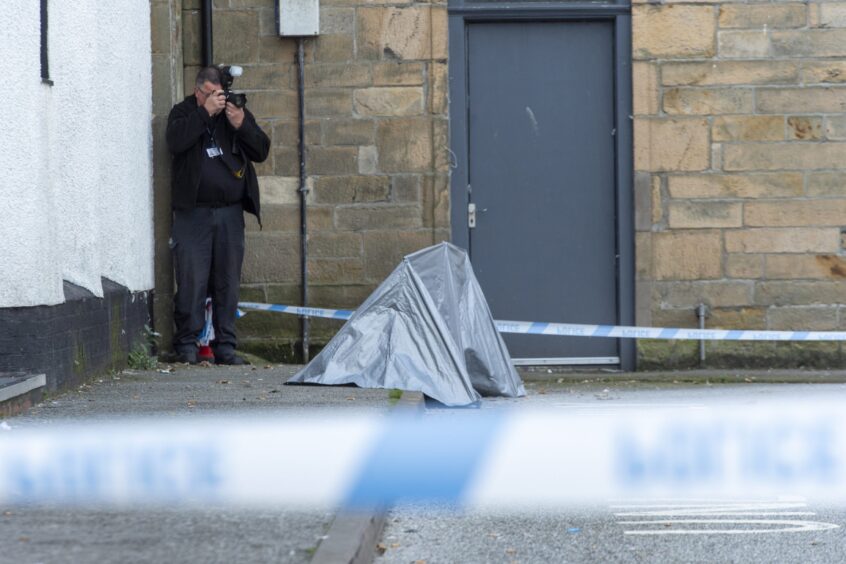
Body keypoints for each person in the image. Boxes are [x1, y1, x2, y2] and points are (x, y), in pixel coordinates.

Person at [166, 66, 270, 365]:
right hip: (193, 213)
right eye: (211, 95)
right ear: (198, 92)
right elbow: (175, 141)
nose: (217, 100)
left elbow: (261, 150)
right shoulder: (183, 112)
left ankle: (226, 346)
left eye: (219, 95)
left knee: (227, 280)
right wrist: (204, 114)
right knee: (191, 279)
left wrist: (241, 124)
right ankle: (186, 346)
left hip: (229, 212)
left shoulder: (232, 112)